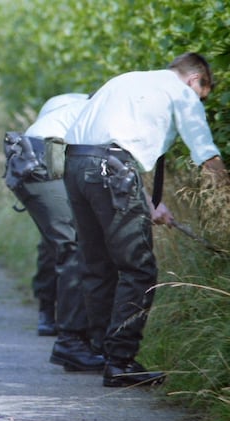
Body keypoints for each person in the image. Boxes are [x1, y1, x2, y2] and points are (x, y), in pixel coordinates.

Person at [63, 52, 230, 387]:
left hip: (76, 165)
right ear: (196, 80)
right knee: (139, 267)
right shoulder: (181, 92)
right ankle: (121, 361)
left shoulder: (128, 79)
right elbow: (205, 152)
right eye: (202, 95)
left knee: (98, 264)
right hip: (111, 170)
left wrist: (143, 197)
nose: (197, 100)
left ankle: (102, 352)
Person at [3, 93, 105, 373]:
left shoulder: (73, 103)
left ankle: (71, 330)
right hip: (40, 163)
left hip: (34, 161)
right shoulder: (106, 109)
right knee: (73, 245)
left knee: (62, 243)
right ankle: (71, 342)